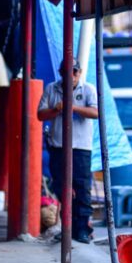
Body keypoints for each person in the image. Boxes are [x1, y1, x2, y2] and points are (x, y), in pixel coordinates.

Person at [38, 58, 98, 244]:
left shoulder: (88, 89)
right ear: (61, 73)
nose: (71, 76)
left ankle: (82, 229)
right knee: (60, 187)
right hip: (58, 145)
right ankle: (67, 228)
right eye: (66, 72)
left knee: (81, 188)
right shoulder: (52, 89)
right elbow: (40, 114)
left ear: (79, 73)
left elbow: (96, 113)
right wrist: (56, 110)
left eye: (74, 72)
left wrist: (73, 107)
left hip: (80, 147)